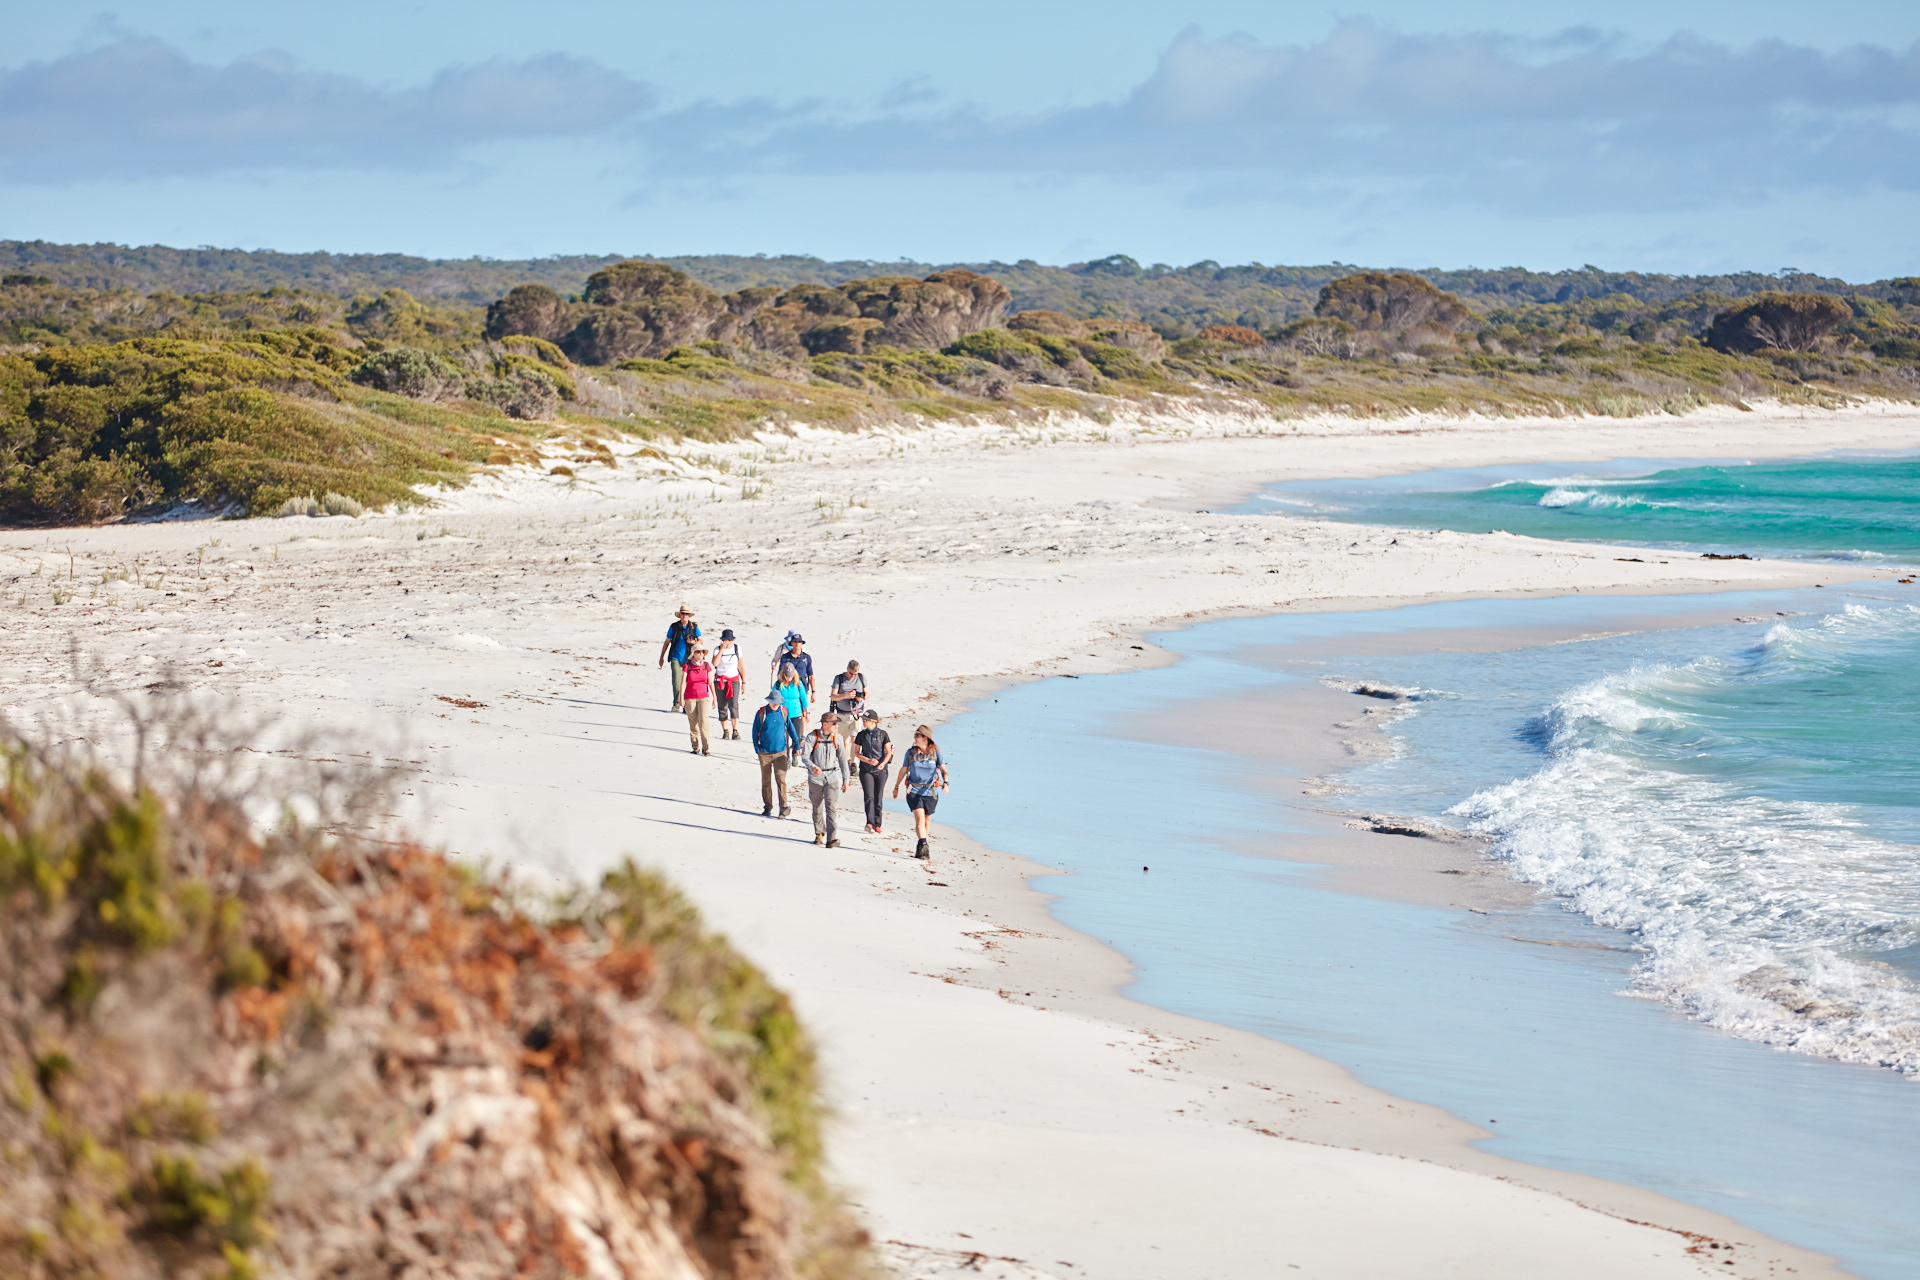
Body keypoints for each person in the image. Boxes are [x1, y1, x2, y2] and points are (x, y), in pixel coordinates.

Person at [892, 725, 948, 860]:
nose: (915, 738)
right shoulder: (911, 752)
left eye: (917, 735)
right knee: (920, 819)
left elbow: (943, 769)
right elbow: (903, 769)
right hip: (914, 791)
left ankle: (921, 848)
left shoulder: (936, 752)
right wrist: (896, 786)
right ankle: (924, 845)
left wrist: (946, 782)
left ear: (925, 738)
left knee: (927, 821)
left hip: (931, 792)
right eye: (915, 735)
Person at [802, 711, 850, 847]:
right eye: (834, 723)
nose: (836, 726)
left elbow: (843, 760)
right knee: (817, 807)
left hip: (832, 777)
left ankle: (831, 838)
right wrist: (813, 767)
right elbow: (805, 757)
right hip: (815, 779)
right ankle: (819, 834)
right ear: (825, 724)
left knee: (831, 808)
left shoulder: (838, 738)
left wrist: (846, 780)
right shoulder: (812, 737)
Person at [751, 691, 793, 818]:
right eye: (773, 702)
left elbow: (790, 728)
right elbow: (754, 731)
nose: (775, 704)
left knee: (781, 780)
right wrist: (757, 748)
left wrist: (796, 744)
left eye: (778, 702)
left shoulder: (783, 711)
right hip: (764, 753)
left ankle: (783, 808)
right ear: (769, 701)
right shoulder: (761, 713)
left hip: (781, 752)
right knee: (766, 781)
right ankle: (768, 807)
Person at [852, 710, 893, 834]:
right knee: (869, 796)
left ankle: (878, 824)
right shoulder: (861, 735)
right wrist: (868, 760)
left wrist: (882, 763)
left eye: (866, 720)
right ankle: (870, 823)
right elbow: (856, 753)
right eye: (863, 720)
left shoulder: (883, 734)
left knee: (878, 797)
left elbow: (888, 752)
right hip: (866, 770)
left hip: (881, 771)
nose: (863, 722)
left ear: (873, 721)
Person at [657, 606, 700, 711]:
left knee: (688, 682)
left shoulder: (694, 627)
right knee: (677, 681)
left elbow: (701, 641)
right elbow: (667, 642)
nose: (684, 616)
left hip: (688, 658)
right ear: (680, 615)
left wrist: (694, 642)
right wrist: (661, 657)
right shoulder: (674, 626)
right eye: (683, 614)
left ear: (689, 616)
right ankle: (677, 704)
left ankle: (685, 705)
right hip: (675, 657)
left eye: (686, 614)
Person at [681, 644, 714, 755]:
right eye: (698, 652)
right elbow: (683, 683)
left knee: (704, 722)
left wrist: (714, 697)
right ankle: (695, 747)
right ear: (693, 654)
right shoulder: (687, 666)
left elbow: (710, 682)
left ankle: (706, 748)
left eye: (702, 652)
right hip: (690, 697)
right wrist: (681, 698)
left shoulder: (706, 666)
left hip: (703, 696)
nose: (700, 654)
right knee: (693, 723)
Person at [829, 660, 867, 755]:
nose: (853, 676)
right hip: (842, 714)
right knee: (844, 740)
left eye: (855, 674)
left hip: (857, 714)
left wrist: (861, 698)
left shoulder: (861, 677)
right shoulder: (839, 678)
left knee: (855, 739)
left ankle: (854, 762)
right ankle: (847, 760)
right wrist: (846, 696)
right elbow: (833, 696)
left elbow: (867, 694)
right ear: (847, 669)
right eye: (851, 673)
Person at [712, 628, 744, 740]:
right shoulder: (717, 649)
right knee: (722, 706)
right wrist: (721, 649)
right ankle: (725, 731)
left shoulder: (737, 648)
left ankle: (735, 731)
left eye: (729, 640)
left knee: (734, 704)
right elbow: (715, 664)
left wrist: (744, 682)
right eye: (725, 640)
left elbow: (740, 666)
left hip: (733, 680)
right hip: (720, 680)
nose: (727, 642)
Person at [775, 666, 809, 768]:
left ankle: (794, 752)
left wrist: (807, 712)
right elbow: (774, 697)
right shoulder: (778, 684)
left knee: (796, 736)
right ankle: (787, 757)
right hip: (783, 714)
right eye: (787, 675)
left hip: (796, 714)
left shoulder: (798, 684)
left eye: (790, 676)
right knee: (784, 737)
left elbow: (803, 698)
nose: (789, 678)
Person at [775, 633, 816, 703]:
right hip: (788, 688)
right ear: (791, 643)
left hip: (802, 688)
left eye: (799, 642)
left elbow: (811, 675)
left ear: (802, 643)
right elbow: (780, 674)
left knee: (803, 708)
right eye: (795, 642)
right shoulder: (785, 657)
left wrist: (813, 692)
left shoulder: (806, 658)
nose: (797, 644)